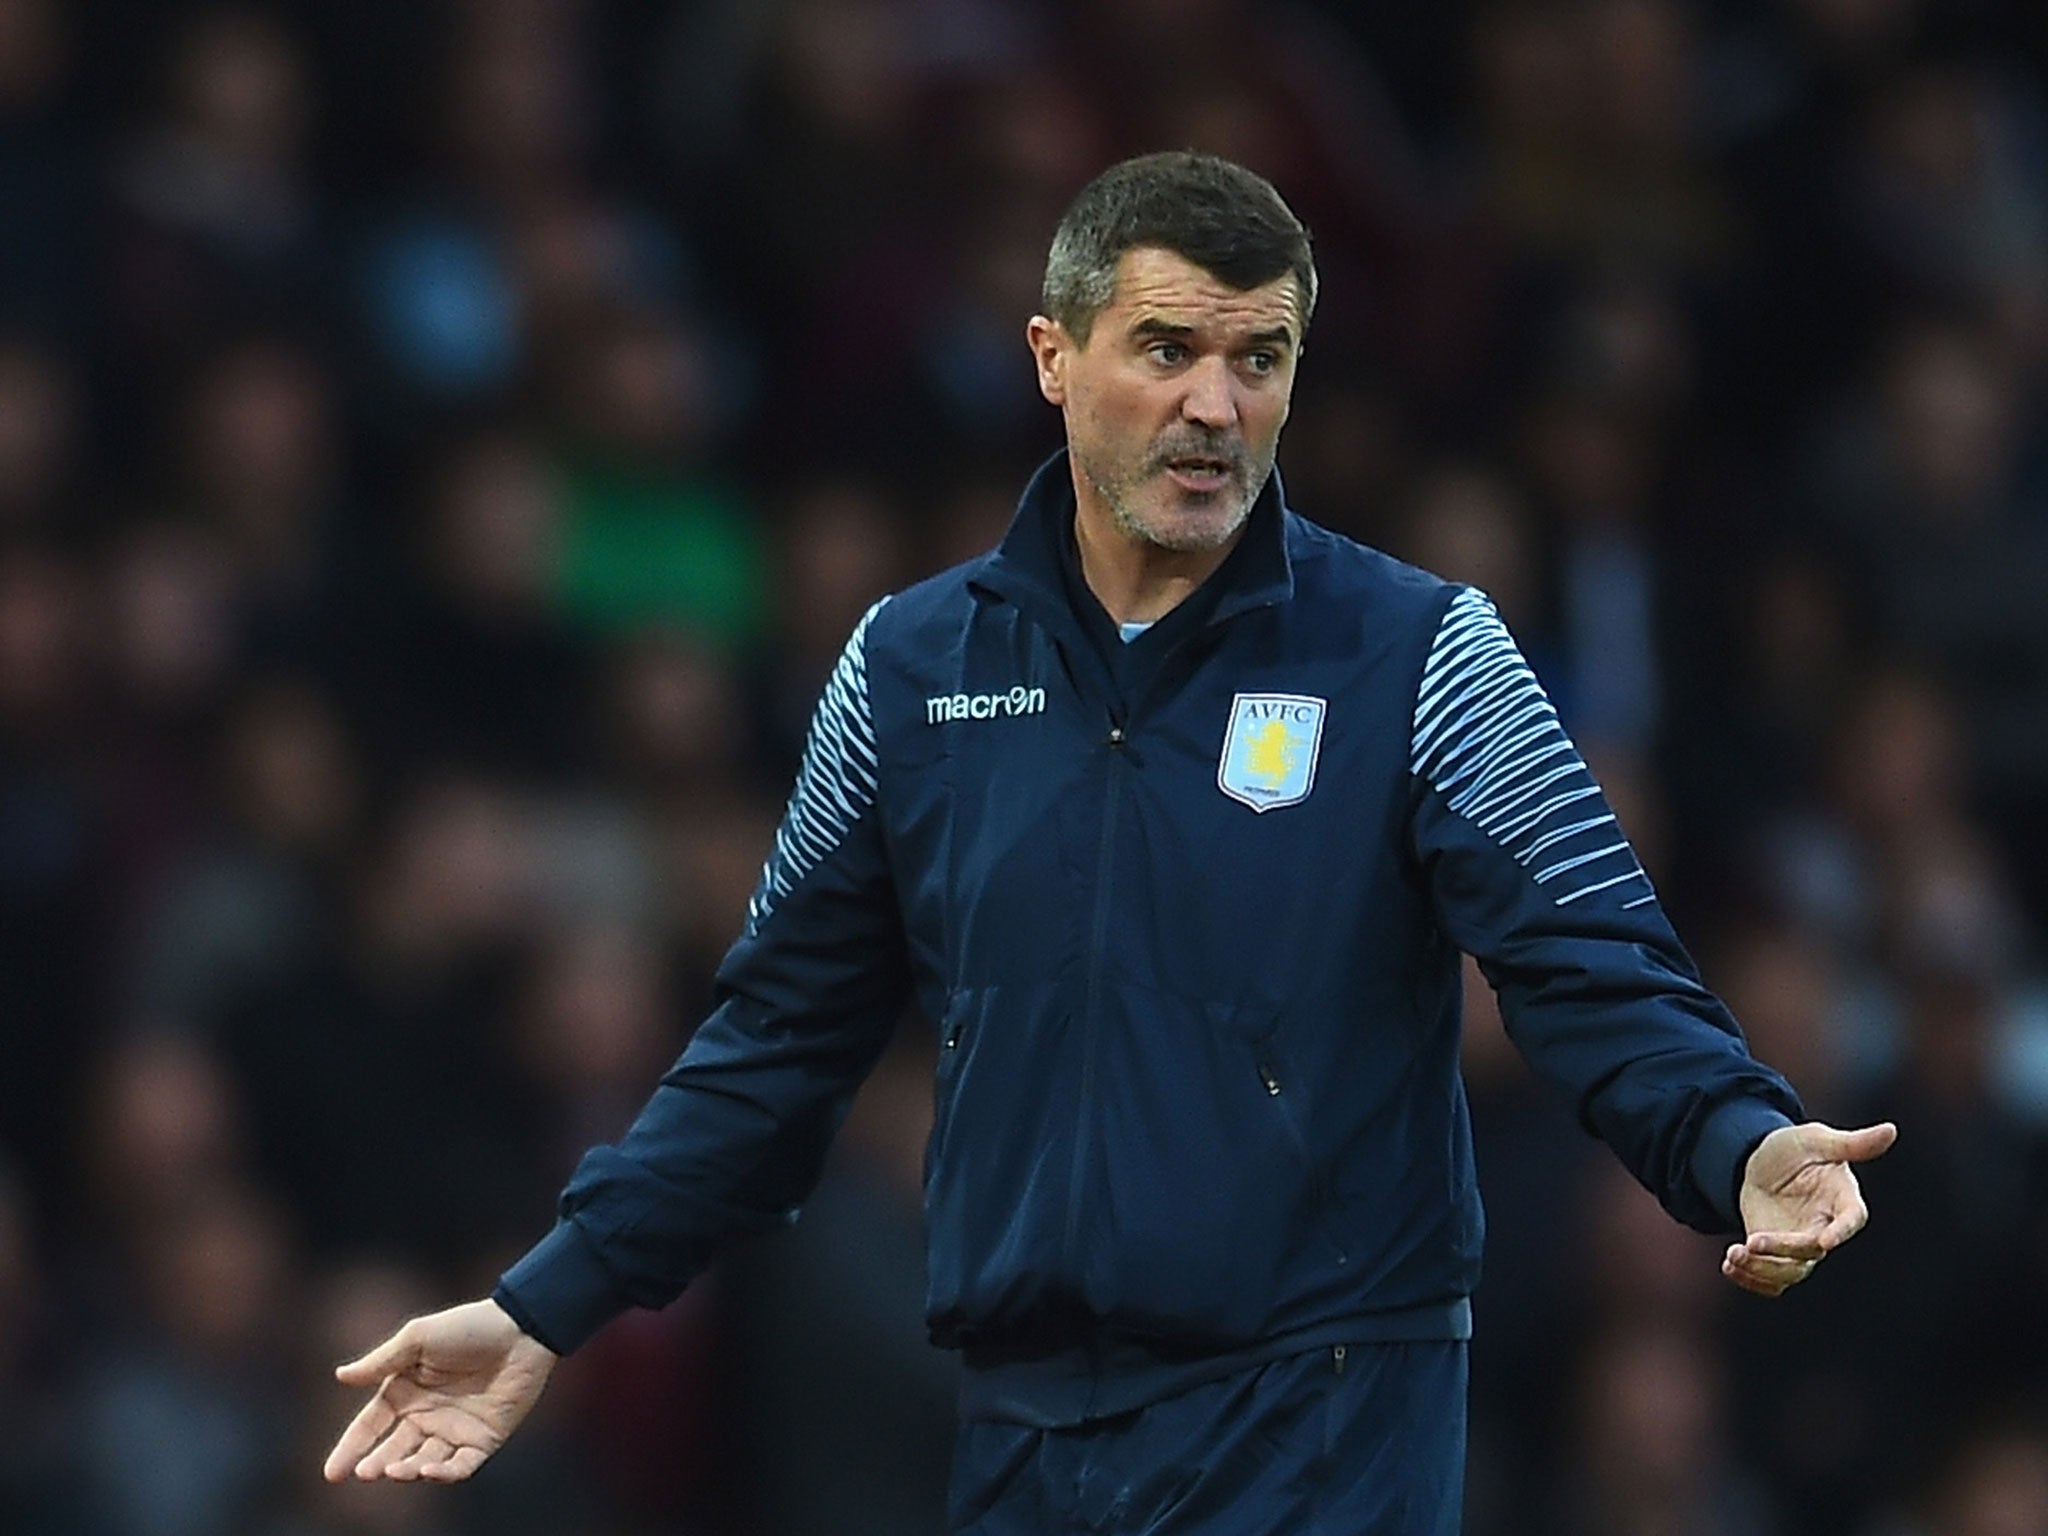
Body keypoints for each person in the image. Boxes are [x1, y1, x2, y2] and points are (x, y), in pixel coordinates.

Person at [323, 152, 1895, 1534]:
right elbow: (770, 1048)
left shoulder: (1423, 655)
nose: (1218, 405)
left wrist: (1737, 1137)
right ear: (1052, 358)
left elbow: (1591, 958)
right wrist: (548, 1305)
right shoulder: (907, 669)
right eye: (1168, 350)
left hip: (1325, 1421)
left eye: (1259, 358)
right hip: (1022, 1431)